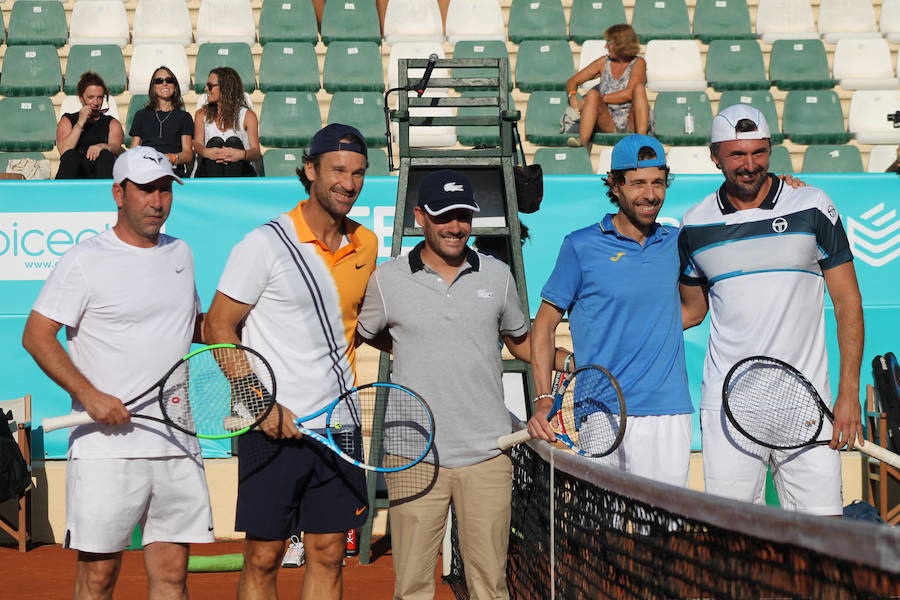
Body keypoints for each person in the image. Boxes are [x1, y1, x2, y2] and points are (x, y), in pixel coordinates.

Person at [357, 169, 570, 600]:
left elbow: (522, 342)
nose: (455, 227)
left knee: (490, 586)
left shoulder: (497, 276)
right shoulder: (386, 280)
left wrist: (569, 360)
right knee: (413, 587)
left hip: (488, 453)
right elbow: (369, 332)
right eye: (443, 216)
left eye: (463, 216)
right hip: (412, 456)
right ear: (420, 217)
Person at [22, 147, 213, 598]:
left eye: (165, 189)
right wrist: (90, 396)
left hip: (175, 442)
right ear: (118, 194)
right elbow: (36, 335)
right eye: (146, 189)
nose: (157, 201)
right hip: (105, 450)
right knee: (98, 577)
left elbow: (195, 327)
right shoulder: (85, 259)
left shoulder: (181, 252)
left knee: (171, 575)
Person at [204, 123, 377, 600]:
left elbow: (358, 324)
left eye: (359, 173)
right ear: (310, 170)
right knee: (264, 555)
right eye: (338, 170)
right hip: (270, 426)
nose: (349, 182)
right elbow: (218, 327)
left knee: (327, 553)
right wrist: (260, 406)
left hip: (338, 427)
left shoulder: (367, 245)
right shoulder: (265, 244)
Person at [679, 104, 864, 515]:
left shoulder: (812, 205)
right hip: (727, 409)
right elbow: (690, 311)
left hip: (809, 407)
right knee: (735, 543)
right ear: (715, 156)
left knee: (824, 540)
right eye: (737, 154)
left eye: (759, 152)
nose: (750, 165)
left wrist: (848, 394)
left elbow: (848, 302)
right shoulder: (694, 224)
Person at [527, 135, 694, 487]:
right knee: (604, 535)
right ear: (615, 186)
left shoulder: (677, 242)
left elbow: (694, 311)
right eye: (638, 183)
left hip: (667, 411)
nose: (650, 194)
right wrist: (543, 398)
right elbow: (542, 328)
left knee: (666, 534)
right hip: (599, 412)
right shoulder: (580, 245)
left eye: (658, 182)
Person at [564, 24, 650, 149]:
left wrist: (592, 100)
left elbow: (629, 93)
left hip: (632, 119)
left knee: (639, 89)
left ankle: (641, 142)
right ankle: (582, 141)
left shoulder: (638, 63)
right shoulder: (604, 62)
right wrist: (572, 97)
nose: (605, 46)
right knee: (593, 94)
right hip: (609, 120)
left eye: (609, 42)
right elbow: (573, 81)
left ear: (622, 44)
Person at [193, 67, 260, 177]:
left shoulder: (248, 115)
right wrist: (207, 152)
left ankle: (230, 190)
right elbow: (197, 144)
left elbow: (256, 151)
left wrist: (241, 154)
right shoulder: (201, 114)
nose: (206, 88)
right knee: (215, 142)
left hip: (239, 169)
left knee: (234, 142)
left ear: (225, 88)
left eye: (210, 85)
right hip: (208, 169)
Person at [55, 71, 124, 179]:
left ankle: (104, 193)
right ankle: (63, 193)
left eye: (100, 97)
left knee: (106, 155)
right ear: (81, 98)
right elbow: (64, 150)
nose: (96, 102)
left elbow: (116, 147)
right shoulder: (68, 120)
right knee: (71, 156)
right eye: (90, 97)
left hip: (100, 170)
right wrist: (80, 122)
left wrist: (103, 146)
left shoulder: (112, 123)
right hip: (75, 172)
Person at [130, 66, 194, 178]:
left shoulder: (184, 117)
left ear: (175, 87)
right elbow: (133, 151)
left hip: (172, 168)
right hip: (147, 169)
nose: (164, 83)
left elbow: (188, 154)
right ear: (153, 87)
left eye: (169, 80)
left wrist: (170, 158)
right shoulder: (141, 115)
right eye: (159, 81)